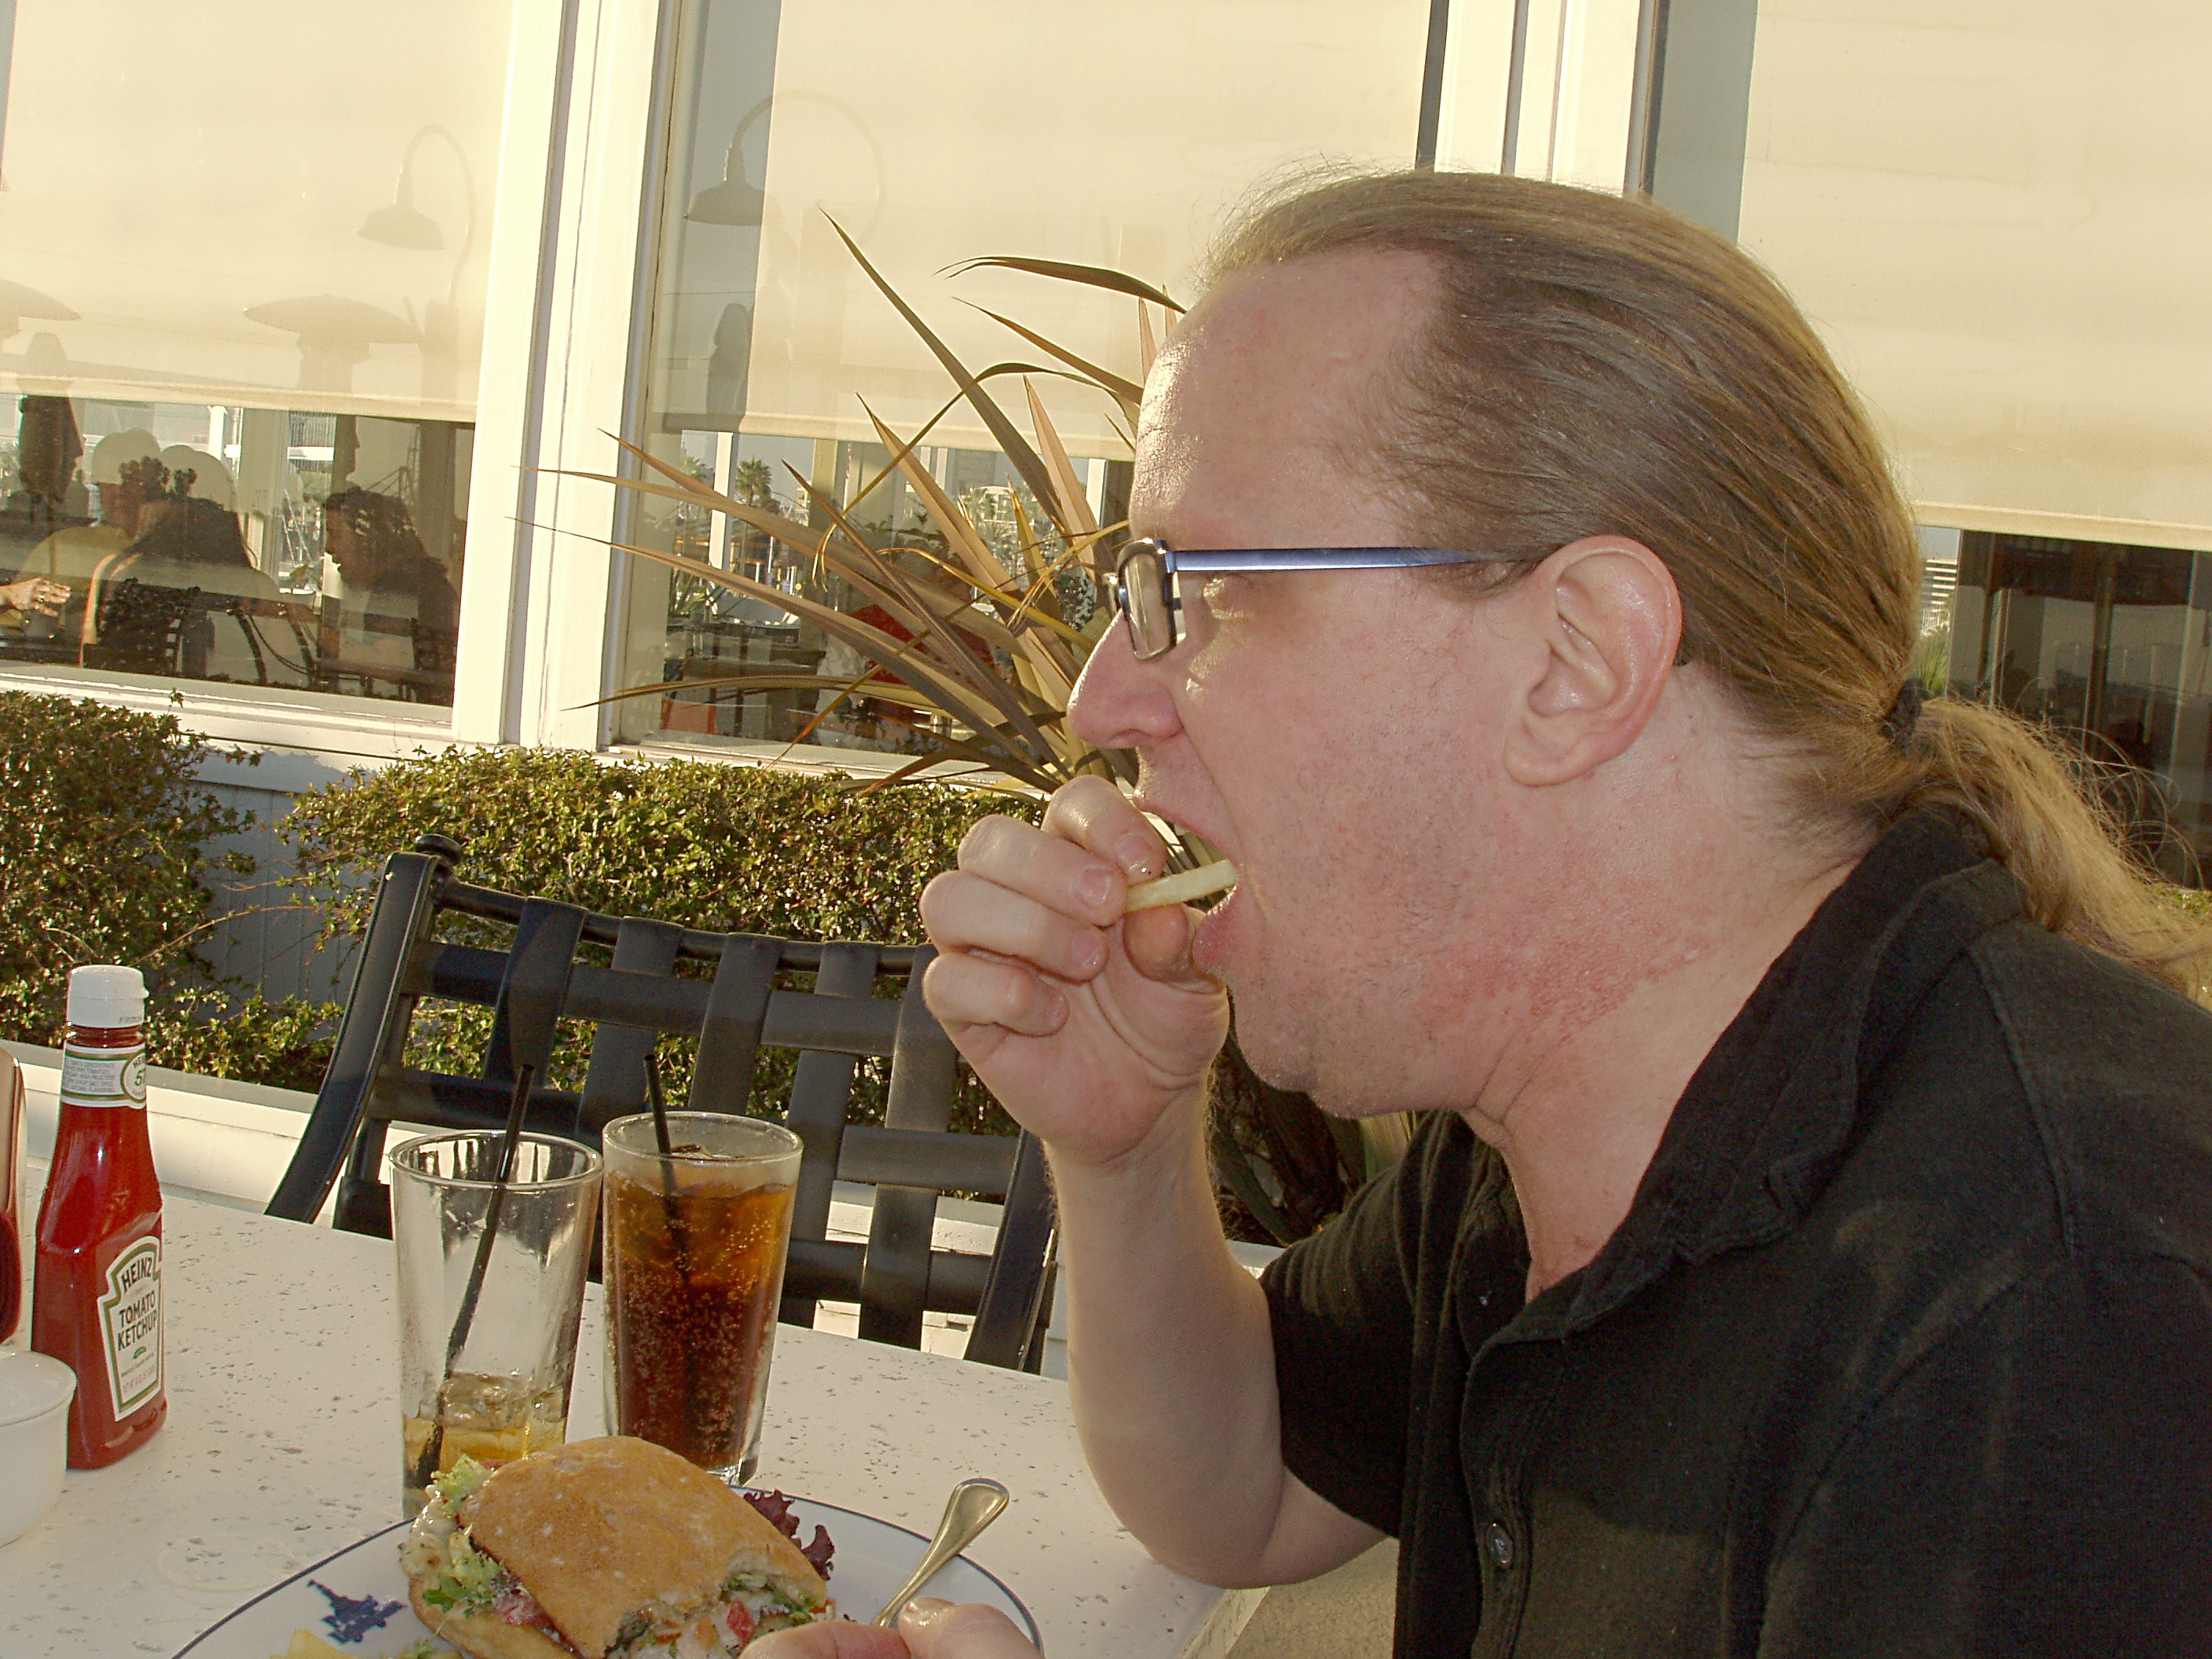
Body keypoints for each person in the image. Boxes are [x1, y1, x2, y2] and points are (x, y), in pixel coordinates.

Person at [913, 171, 2212, 1657]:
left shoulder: (2056, 1330)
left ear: (1579, 658)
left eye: (1209, 589)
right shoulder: (1558, 1111)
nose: (1102, 701)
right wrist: (1128, 1146)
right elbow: (1247, 1488)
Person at [320, 487, 460, 693]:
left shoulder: (402, 588)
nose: (328, 547)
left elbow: (390, 665)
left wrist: (311, 627)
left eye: (335, 536)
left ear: (368, 542)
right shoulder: (413, 579)